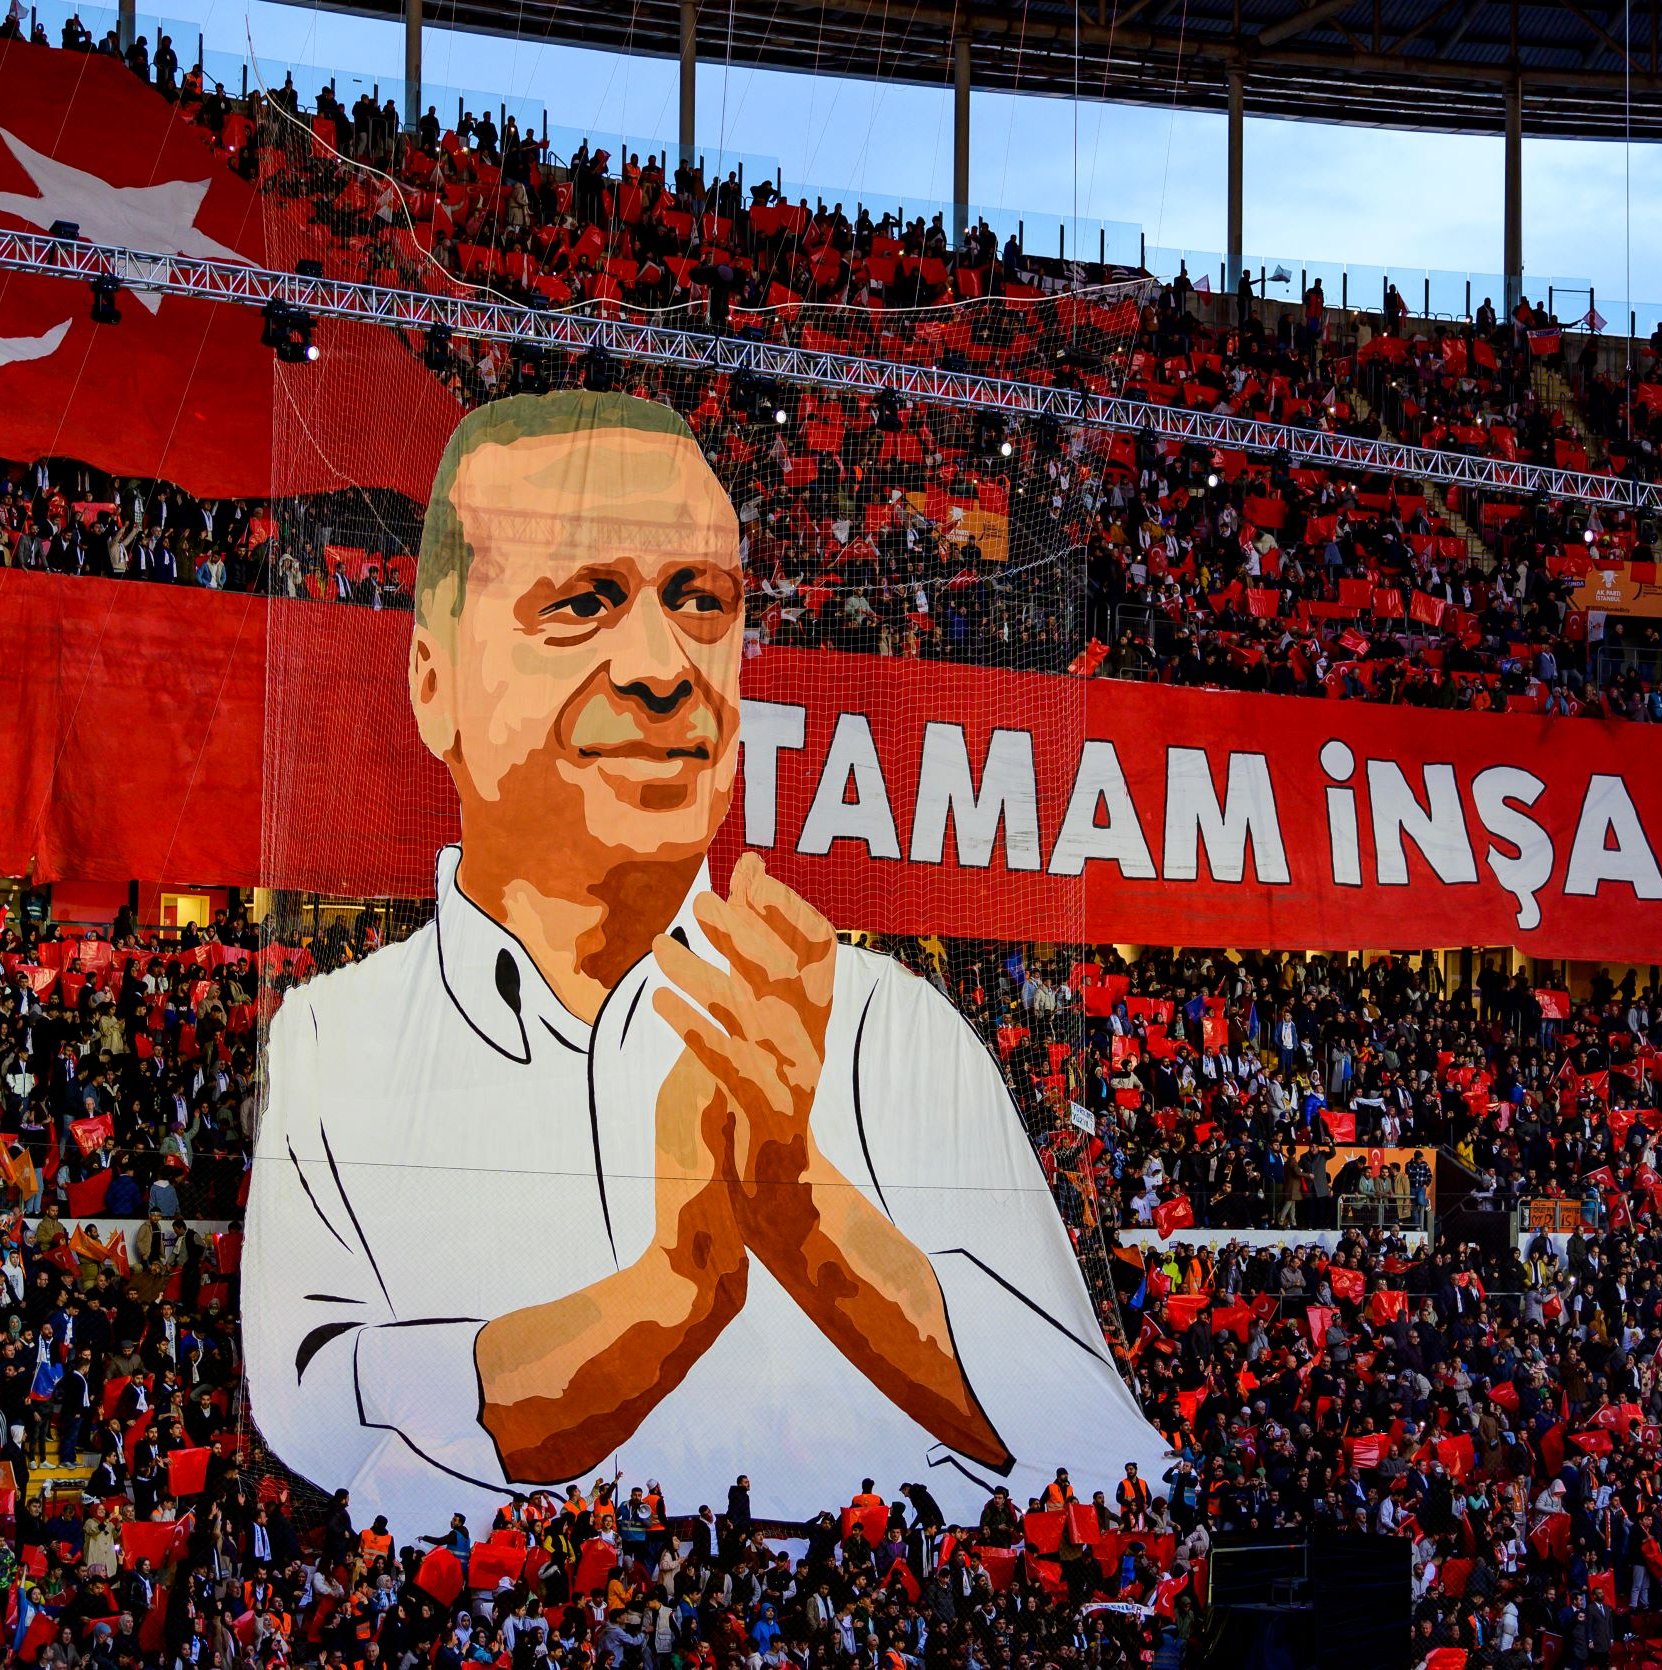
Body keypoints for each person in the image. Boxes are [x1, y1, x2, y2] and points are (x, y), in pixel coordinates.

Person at [245, 390, 1170, 1535]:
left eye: (701, 600)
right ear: (432, 683)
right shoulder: (337, 1040)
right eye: (582, 602)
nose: (663, 664)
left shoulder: (888, 1032)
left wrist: (810, 1216)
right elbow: (313, 1414)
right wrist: (658, 1305)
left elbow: (1103, 1448)